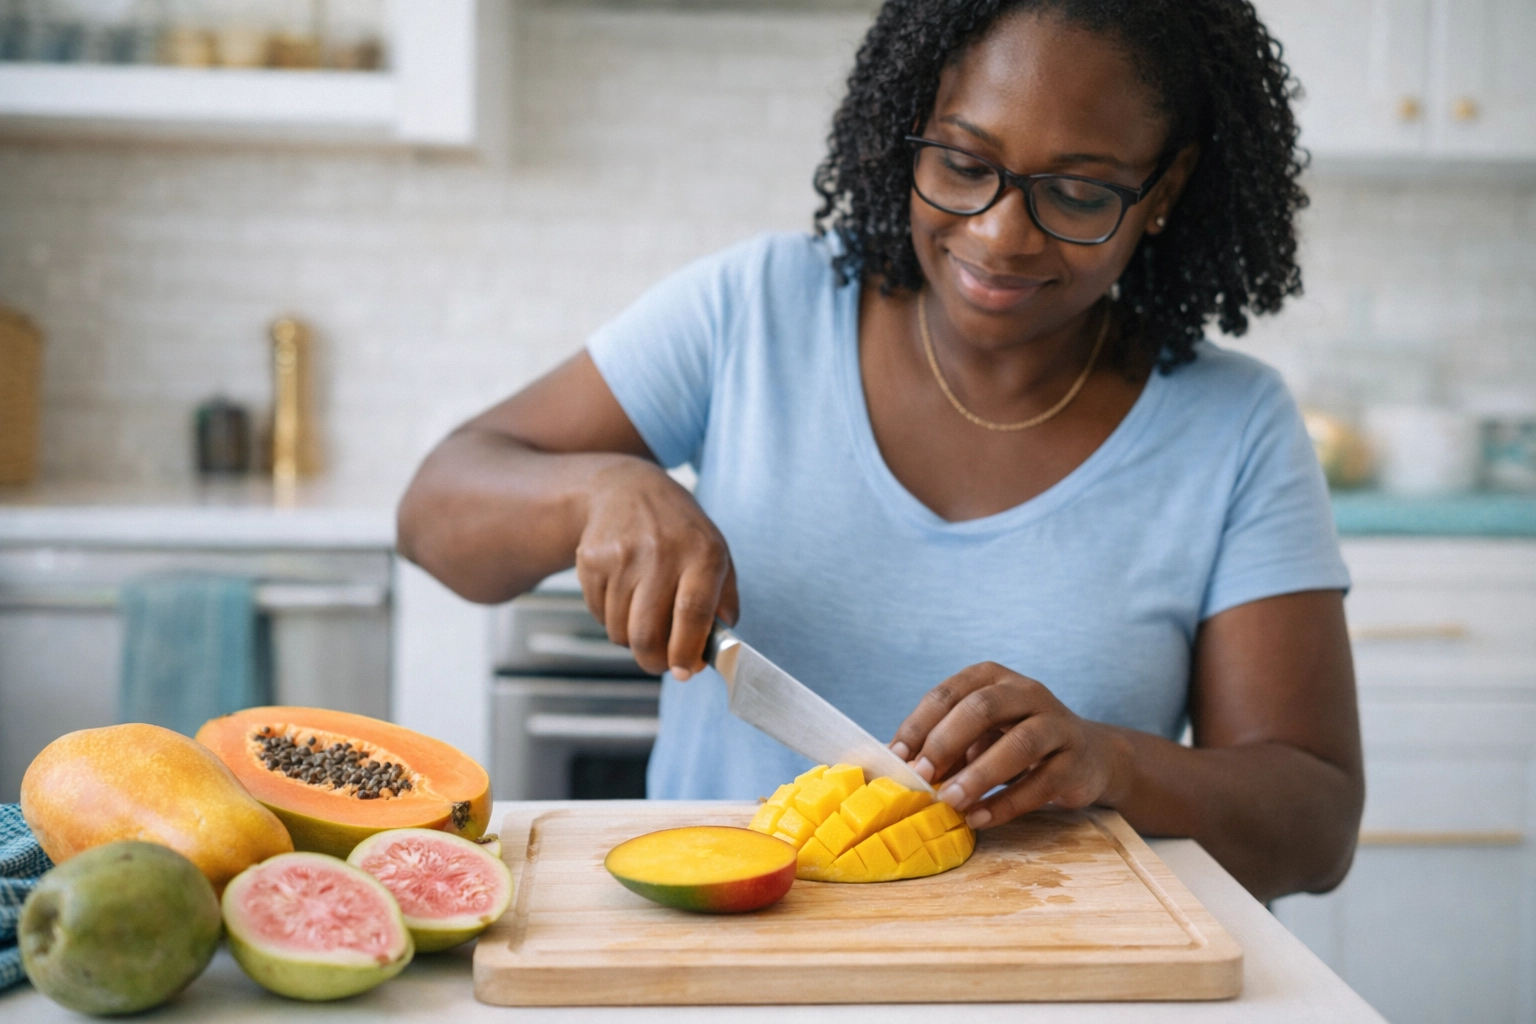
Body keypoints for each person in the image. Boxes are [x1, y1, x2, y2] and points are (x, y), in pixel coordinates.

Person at [398, 0, 1363, 902]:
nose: (997, 233)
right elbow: (433, 512)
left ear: (1167, 186)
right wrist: (597, 491)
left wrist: (1114, 764)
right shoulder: (753, 312)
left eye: (1074, 193)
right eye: (961, 163)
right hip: (722, 956)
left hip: (1060, 972)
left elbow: (1314, 829)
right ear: (911, 123)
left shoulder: (1234, 427)